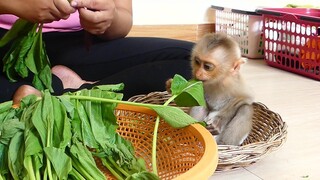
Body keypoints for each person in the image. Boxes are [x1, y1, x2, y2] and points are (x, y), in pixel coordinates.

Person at [0, 0, 194, 103]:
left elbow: (122, 22)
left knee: (192, 61)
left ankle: (67, 90)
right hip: (5, 42)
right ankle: (61, 89)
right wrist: (16, 4)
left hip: (78, 45)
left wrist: (109, 18)